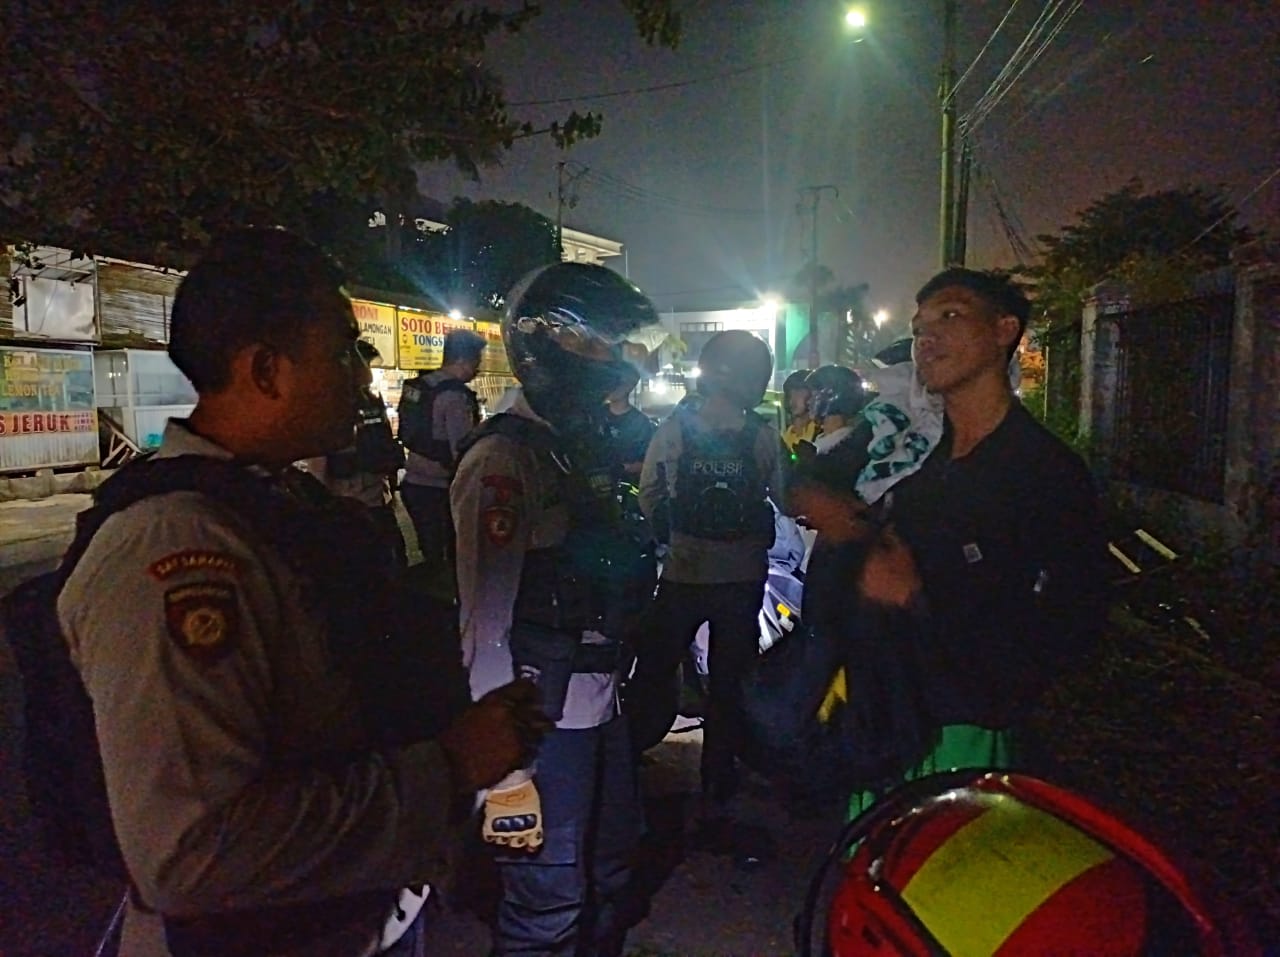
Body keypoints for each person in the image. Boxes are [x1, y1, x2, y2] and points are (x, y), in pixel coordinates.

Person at [57, 228, 547, 957]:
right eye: (346, 348)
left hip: (356, 919)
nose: (363, 373)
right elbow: (193, 853)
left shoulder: (276, 505)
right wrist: (448, 767)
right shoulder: (174, 546)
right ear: (266, 370)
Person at [830, 268, 1109, 817]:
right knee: (872, 857)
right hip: (882, 716)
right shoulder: (913, 457)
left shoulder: (1043, 469)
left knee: (942, 862)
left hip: (965, 730)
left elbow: (1077, 617)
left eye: (950, 316)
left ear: (1004, 330)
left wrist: (918, 598)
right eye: (919, 327)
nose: (926, 338)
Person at [451, 262, 661, 957]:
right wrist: (508, 774)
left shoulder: (575, 448)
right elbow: (485, 623)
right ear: (546, 343)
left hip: (601, 701)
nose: (617, 359)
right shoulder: (504, 458)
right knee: (547, 898)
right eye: (601, 342)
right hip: (545, 719)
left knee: (610, 869)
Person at [631, 330, 785, 832]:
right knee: (729, 680)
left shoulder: (676, 428)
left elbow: (649, 492)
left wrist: (673, 536)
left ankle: (626, 757)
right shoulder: (762, 435)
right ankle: (718, 777)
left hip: (685, 572)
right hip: (743, 577)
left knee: (655, 667)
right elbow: (784, 496)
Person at [300, 339, 407, 567]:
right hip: (354, 504)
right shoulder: (333, 407)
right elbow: (319, 464)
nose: (368, 372)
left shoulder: (364, 402)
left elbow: (384, 444)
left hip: (369, 501)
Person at [397, 328, 487, 596]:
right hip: (442, 490)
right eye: (476, 362)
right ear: (463, 360)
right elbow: (462, 449)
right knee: (454, 560)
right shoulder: (455, 396)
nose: (478, 369)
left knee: (432, 556)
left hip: (414, 485)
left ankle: (432, 604)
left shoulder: (421, 386)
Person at [602, 364, 656, 484]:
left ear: (628, 386)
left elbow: (648, 462)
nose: (610, 387)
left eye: (616, 382)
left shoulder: (640, 423)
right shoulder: (596, 415)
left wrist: (624, 468)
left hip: (626, 484)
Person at [780, 369, 817, 453]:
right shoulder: (787, 434)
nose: (792, 400)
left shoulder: (820, 432)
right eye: (790, 393)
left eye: (798, 392)